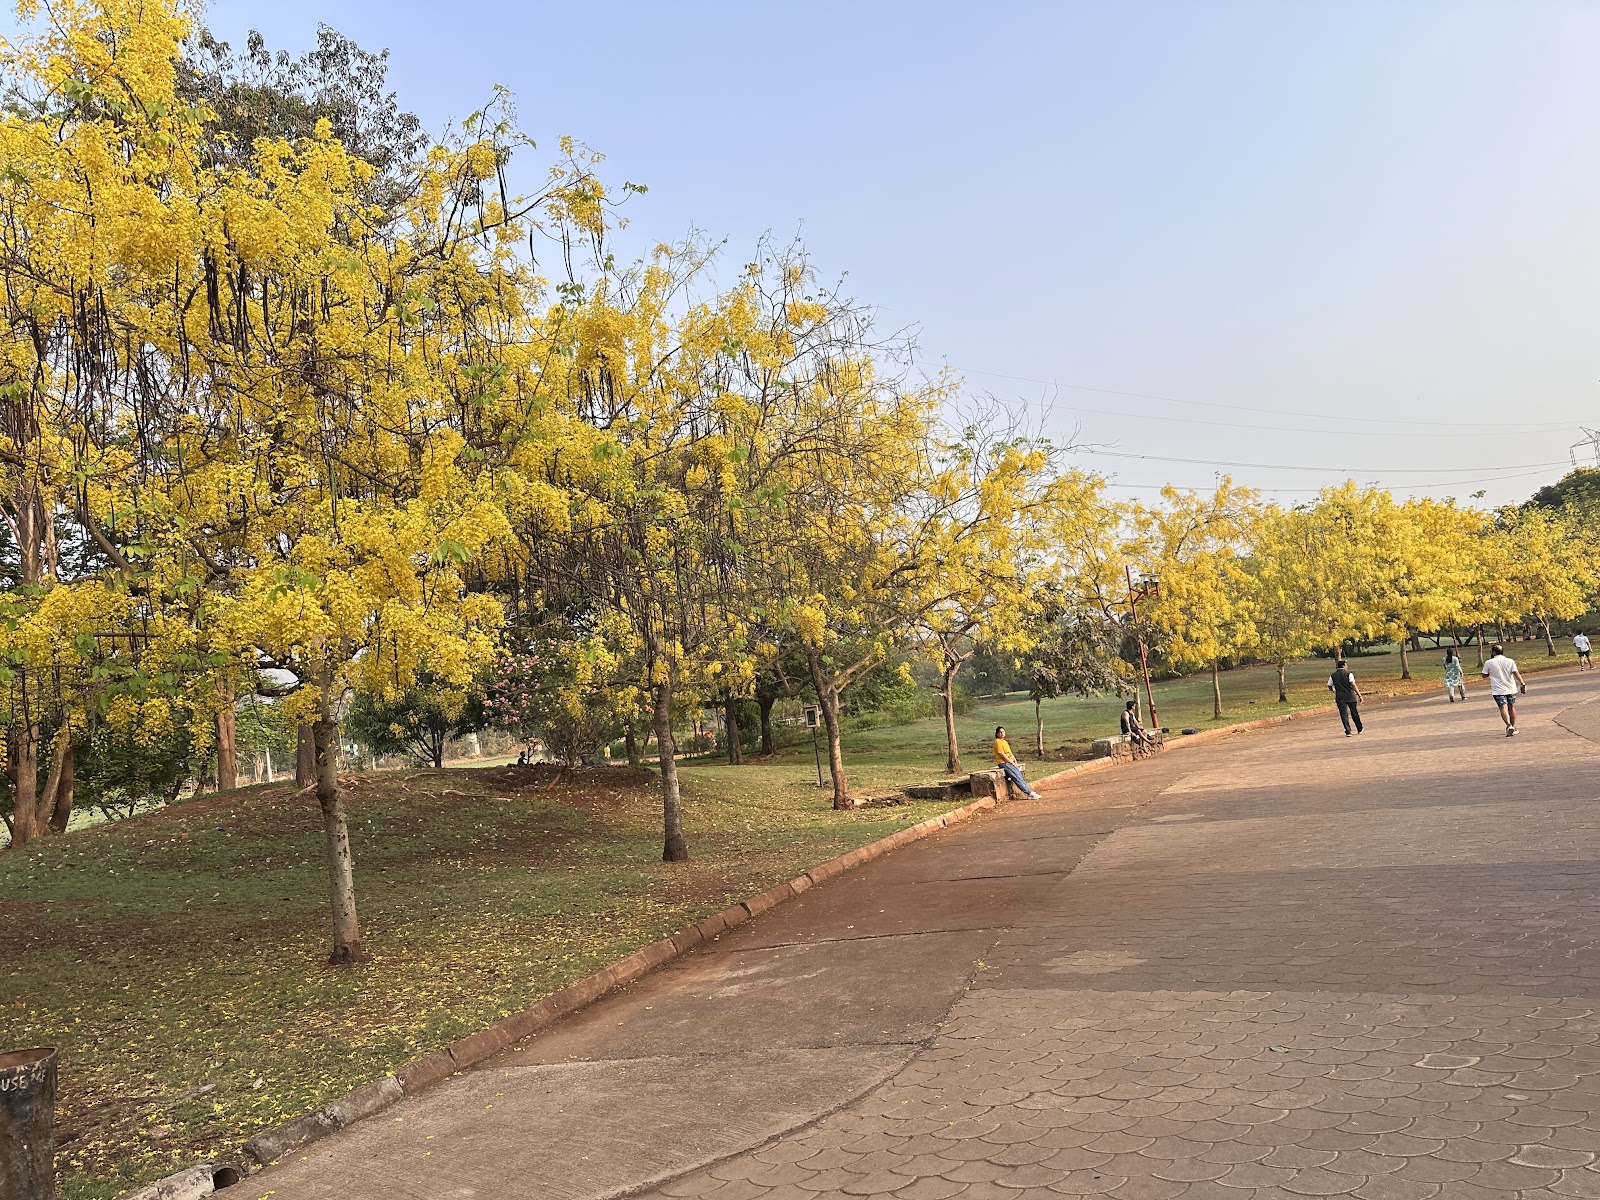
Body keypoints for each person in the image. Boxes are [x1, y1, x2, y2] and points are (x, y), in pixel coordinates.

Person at [1482, 643, 1527, 736]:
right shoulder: (1510, 661)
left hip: (1498, 690)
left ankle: (1508, 725)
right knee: (1511, 707)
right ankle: (1513, 726)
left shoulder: (1489, 662)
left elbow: (1484, 675)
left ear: (1494, 652)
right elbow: (1516, 673)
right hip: (1511, 688)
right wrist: (1522, 683)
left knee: (1503, 707)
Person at [993, 726, 1043, 800]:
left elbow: (1009, 752)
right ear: (997, 734)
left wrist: (1014, 759)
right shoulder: (997, 741)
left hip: (1009, 762)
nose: (1002, 733)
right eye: (1000, 732)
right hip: (1004, 763)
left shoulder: (1004, 742)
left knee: (1019, 776)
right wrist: (1011, 762)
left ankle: (1030, 792)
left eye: (1003, 732)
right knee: (1016, 777)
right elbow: (1002, 755)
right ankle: (1029, 793)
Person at [1327, 659, 1364, 736]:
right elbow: (1353, 684)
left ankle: (1348, 731)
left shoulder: (1333, 675)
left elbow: (1329, 685)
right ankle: (1359, 728)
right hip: (1350, 695)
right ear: (1343, 666)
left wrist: (1334, 690)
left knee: (1343, 714)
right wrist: (1359, 695)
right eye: (1346, 665)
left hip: (1340, 697)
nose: (1347, 666)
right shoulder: (1349, 674)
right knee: (1354, 713)